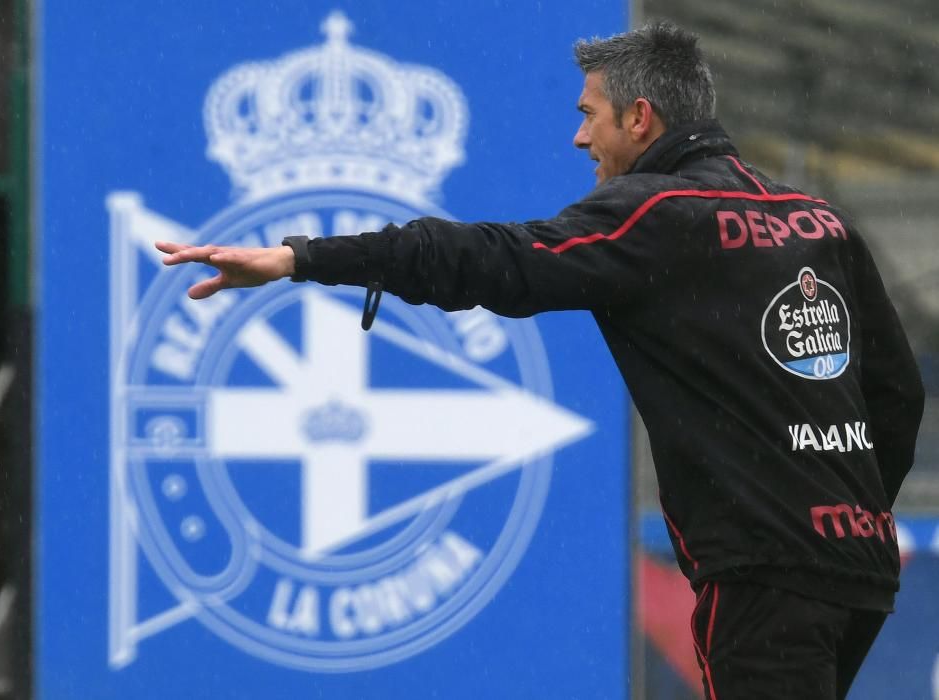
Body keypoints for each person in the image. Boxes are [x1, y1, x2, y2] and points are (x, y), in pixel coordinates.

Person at [156, 21, 924, 699]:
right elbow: (895, 394)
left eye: (588, 116)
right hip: (853, 571)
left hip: (764, 571)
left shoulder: (654, 216)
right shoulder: (818, 222)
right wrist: (847, 514)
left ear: (639, 118)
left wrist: (303, 258)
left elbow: (488, 259)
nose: (579, 139)